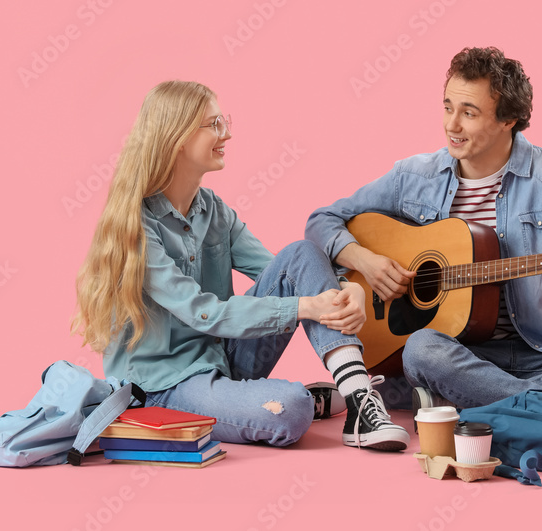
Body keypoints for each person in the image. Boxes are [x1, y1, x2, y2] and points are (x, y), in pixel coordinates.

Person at [305, 47, 542, 442]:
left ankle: (499, 407)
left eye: (469, 113)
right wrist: (366, 261)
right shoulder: (413, 176)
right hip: (459, 357)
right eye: (447, 107)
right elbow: (322, 220)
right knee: (422, 348)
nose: (451, 125)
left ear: (508, 119)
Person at [72, 80, 409, 450]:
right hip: (166, 387)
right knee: (291, 409)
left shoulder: (213, 209)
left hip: (222, 360)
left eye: (224, 122)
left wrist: (350, 289)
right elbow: (203, 312)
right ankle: (308, 399)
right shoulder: (138, 226)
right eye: (214, 124)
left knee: (303, 251)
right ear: (178, 138)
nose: (227, 133)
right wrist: (306, 306)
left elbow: (287, 271)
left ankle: (359, 398)